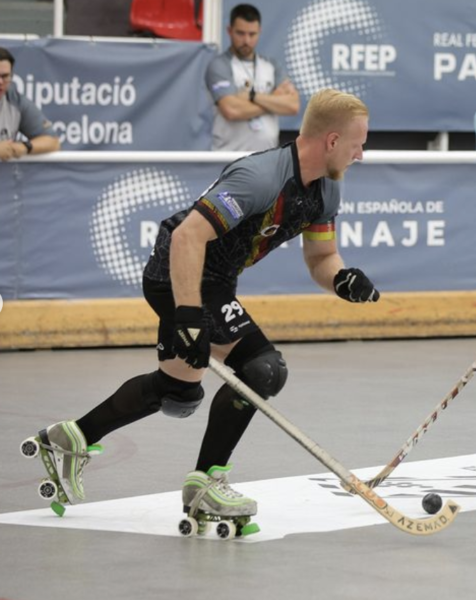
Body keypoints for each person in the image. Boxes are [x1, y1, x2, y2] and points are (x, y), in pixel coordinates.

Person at [24, 89, 380, 532]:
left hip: (214, 281)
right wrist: (189, 316)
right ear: (330, 141)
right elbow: (187, 238)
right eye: (357, 143)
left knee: (179, 392)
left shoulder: (327, 189)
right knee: (264, 368)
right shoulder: (259, 176)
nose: (360, 154)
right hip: (177, 273)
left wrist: (343, 280)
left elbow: (321, 260)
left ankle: (70, 438)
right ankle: (206, 483)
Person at [206, 3, 300, 151]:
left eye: (252, 34)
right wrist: (273, 100)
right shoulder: (219, 65)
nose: (246, 41)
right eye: (240, 33)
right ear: (229, 31)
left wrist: (252, 96)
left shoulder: (272, 65)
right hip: (228, 157)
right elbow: (231, 110)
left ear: (259, 31)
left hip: (266, 158)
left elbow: (292, 106)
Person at [0, 47, 60, 161]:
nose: (0, 82)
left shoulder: (15, 101)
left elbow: (53, 141)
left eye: (5, 76)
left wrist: (25, 147)